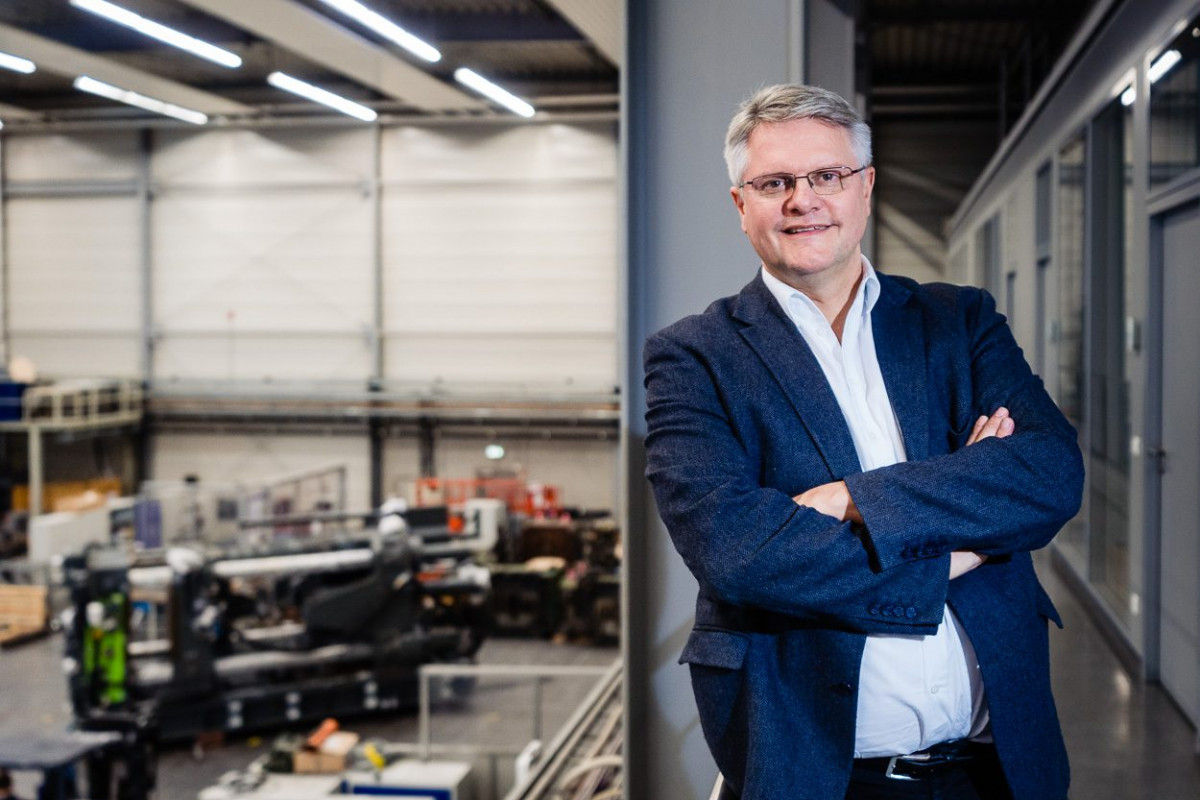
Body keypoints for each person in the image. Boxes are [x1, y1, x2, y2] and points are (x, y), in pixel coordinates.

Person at [642, 84, 1083, 800]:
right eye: (774, 182)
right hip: (820, 774)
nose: (802, 199)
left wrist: (855, 498)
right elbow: (740, 554)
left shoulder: (958, 321)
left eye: (827, 175)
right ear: (740, 204)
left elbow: (1049, 475)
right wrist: (960, 543)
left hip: (998, 768)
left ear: (866, 186)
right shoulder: (695, 356)